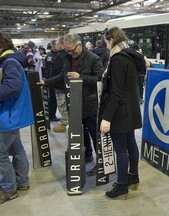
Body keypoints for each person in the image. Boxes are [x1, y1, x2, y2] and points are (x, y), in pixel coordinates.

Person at [38, 33, 104, 163]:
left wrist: (80, 77)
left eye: (71, 50)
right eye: (67, 50)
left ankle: (101, 163)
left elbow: (100, 78)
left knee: (94, 134)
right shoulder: (68, 57)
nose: (69, 53)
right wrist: (46, 82)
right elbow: (63, 76)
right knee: (81, 132)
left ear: (79, 45)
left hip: (90, 103)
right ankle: (88, 155)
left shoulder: (93, 58)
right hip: (74, 102)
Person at [100, 27, 144, 199]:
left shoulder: (118, 59)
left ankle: (121, 184)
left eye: (106, 41)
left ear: (111, 40)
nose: (106, 45)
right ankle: (133, 175)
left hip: (120, 111)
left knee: (120, 149)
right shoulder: (130, 55)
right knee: (130, 143)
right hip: (131, 108)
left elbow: (116, 92)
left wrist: (107, 117)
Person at [0, 32, 34, 204]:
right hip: (11, 114)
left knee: (1, 154)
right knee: (16, 149)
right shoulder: (11, 60)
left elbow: (12, 87)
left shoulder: (9, 62)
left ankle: (8, 189)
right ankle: (21, 182)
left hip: (8, 115)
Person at [45, 39, 60, 122]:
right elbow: (51, 70)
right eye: (57, 44)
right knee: (52, 99)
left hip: (54, 80)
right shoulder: (50, 56)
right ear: (53, 45)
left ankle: (52, 114)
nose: (59, 45)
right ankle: (51, 115)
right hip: (52, 80)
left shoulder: (57, 55)